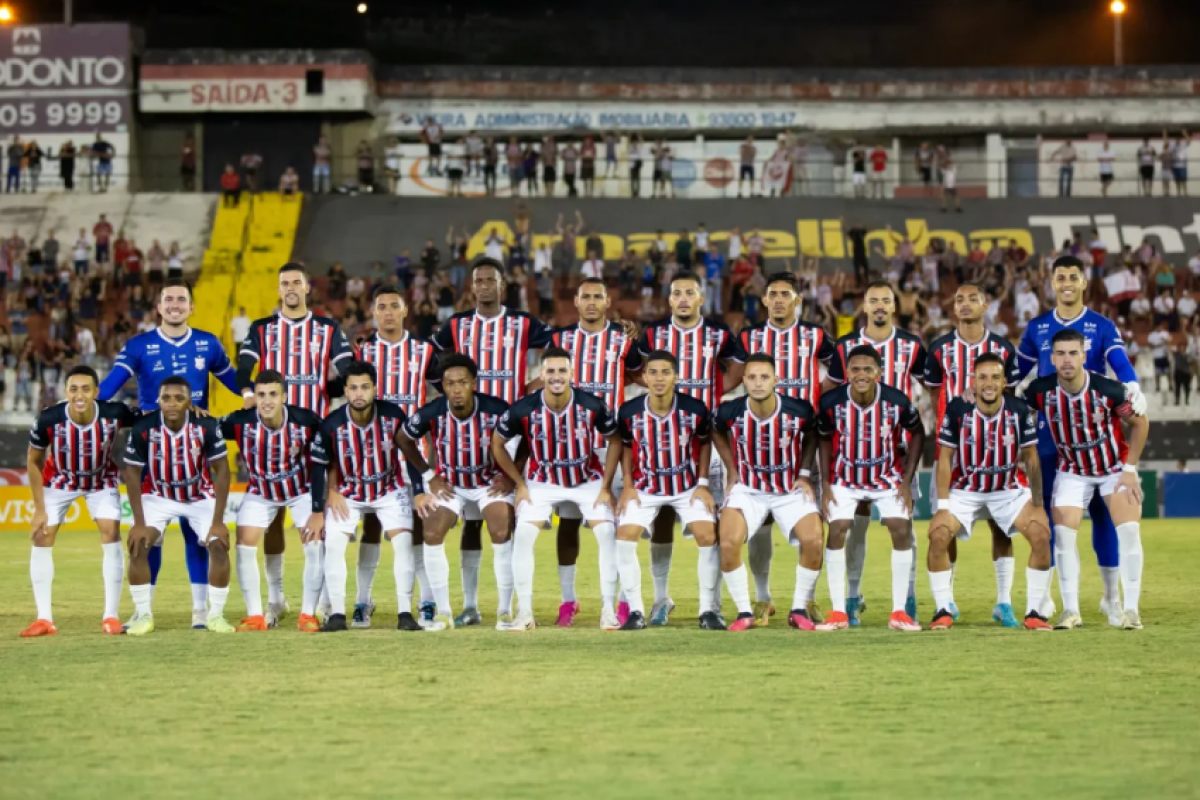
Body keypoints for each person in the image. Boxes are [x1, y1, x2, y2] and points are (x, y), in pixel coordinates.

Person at [97, 280, 240, 629]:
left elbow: (235, 382)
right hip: (152, 448)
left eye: (181, 299)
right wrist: (86, 403)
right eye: (168, 299)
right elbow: (111, 384)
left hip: (196, 446)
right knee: (146, 536)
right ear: (158, 307)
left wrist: (256, 395)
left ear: (191, 307)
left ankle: (201, 613)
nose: (175, 304)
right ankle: (144, 609)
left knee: (198, 536)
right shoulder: (139, 345)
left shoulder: (209, 343)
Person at [1016, 255, 1147, 626]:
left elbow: (1119, 361)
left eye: (1074, 276)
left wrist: (1132, 384)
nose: (1067, 282)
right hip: (1049, 434)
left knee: (1106, 517)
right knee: (1049, 515)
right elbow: (1015, 372)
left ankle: (1111, 599)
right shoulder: (1038, 326)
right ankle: (1045, 599)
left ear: (1084, 282)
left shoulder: (1101, 326)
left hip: (1093, 430)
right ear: (1052, 283)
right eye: (1061, 277)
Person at [433, 257, 555, 626]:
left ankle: (512, 604)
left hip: (510, 433)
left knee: (507, 520)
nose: (485, 286)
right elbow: (429, 360)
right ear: (471, 286)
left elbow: (560, 347)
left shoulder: (522, 323)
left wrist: (533, 388)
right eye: (479, 280)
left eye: (491, 280)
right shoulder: (455, 325)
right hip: (464, 435)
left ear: (502, 286)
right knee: (470, 522)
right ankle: (470, 605)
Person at [235, 263, 356, 625]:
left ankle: (317, 603)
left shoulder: (327, 328)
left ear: (306, 287)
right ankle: (276, 600)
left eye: (296, 282)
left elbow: (346, 368)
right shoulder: (262, 329)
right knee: (271, 523)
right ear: (279, 289)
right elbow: (244, 368)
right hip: (271, 441)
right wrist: (246, 393)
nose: (290, 288)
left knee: (320, 526)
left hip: (314, 440)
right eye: (284, 283)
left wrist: (348, 388)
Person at [636, 273, 746, 625]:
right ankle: (661, 599)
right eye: (677, 293)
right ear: (669, 300)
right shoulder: (653, 333)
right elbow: (634, 367)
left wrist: (717, 391)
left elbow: (739, 369)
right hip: (661, 439)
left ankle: (710, 604)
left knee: (709, 523)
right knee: (662, 520)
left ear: (701, 298)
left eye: (690, 293)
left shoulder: (718, 334)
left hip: (708, 439)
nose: (683, 299)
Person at [491, 346, 621, 632]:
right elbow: (497, 444)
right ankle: (524, 613)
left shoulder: (593, 405)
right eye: (550, 371)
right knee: (523, 535)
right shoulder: (523, 408)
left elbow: (615, 440)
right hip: (542, 480)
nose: (556, 376)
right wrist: (519, 483)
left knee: (607, 532)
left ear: (572, 374)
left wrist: (607, 486)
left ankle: (609, 610)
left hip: (587, 480)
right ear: (541, 374)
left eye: (562, 370)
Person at [735, 273, 836, 624]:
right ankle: (763, 598)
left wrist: (818, 396)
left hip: (805, 446)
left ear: (798, 300)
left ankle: (806, 599)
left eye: (785, 294)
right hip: (761, 447)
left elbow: (837, 371)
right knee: (758, 525)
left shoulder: (816, 335)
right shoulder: (749, 337)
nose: (779, 300)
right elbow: (732, 376)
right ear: (764, 300)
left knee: (815, 526)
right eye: (773, 294)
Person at [825, 281, 928, 625]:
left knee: (905, 527)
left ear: (894, 306)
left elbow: (930, 387)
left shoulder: (912, 345)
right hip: (854, 450)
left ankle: (907, 600)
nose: (880, 305)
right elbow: (830, 392)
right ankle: (851, 597)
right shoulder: (845, 347)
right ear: (864, 307)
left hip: (895, 454)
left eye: (886, 300)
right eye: (873, 300)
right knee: (854, 526)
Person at [926, 353, 1053, 631]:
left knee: (1042, 534)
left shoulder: (1019, 410)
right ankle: (943, 608)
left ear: (1005, 381)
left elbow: (1031, 457)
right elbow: (945, 457)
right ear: (973, 380)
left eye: (995, 377)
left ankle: (1033, 612)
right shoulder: (958, 409)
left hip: (1007, 490)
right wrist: (943, 505)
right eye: (982, 377)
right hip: (966, 489)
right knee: (937, 534)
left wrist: (1038, 503)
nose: (989, 383)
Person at [923, 282, 1025, 625]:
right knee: (945, 526)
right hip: (953, 448)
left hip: (997, 447)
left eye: (972, 299)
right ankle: (947, 601)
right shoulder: (938, 350)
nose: (964, 304)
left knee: (1001, 526)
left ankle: (1003, 601)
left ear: (986, 305)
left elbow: (1006, 392)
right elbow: (934, 390)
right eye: (958, 299)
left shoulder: (1002, 348)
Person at [548, 278, 644, 625]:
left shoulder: (622, 340)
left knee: (617, 525)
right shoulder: (559, 340)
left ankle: (619, 601)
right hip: (569, 445)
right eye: (585, 297)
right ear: (575, 302)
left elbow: (638, 375)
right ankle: (568, 601)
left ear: (607, 302)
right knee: (569, 523)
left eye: (597, 297)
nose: (590, 302)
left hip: (612, 446)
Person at [397, 354, 514, 631]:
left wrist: (511, 477)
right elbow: (403, 438)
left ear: (473, 382)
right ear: (443, 387)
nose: (457, 389)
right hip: (452, 485)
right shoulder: (432, 411)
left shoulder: (497, 409)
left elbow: (525, 437)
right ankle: (444, 613)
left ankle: (505, 611)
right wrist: (429, 476)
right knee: (431, 533)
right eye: (450, 384)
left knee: (500, 531)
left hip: (489, 483)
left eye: (462, 382)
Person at [20, 366, 139, 637]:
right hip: (59, 480)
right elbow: (33, 461)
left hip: (100, 480)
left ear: (97, 392)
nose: (79, 395)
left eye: (86, 389)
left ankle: (111, 616)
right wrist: (39, 509)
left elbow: (150, 418)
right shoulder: (48, 419)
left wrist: (193, 410)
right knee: (41, 536)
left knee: (110, 531)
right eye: (73, 389)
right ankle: (44, 620)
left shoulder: (114, 413)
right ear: (66, 392)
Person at [713, 353, 823, 632]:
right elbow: (715, 431)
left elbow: (812, 434)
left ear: (776, 380)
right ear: (743, 381)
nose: (758, 383)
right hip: (748, 489)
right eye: (751, 377)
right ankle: (744, 612)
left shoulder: (798, 410)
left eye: (764, 377)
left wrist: (805, 473)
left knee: (813, 541)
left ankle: (798, 608)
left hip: (789, 490)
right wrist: (731, 468)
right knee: (727, 544)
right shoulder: (729, 410)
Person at [612, 350, 717, 631]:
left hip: (687, 488)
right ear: (644, 377)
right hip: (644, 488)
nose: (659, 378)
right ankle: (635, 610)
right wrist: (627, 486)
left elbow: (705, 442)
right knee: (624, 536)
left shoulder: (695, 409)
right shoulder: (629, 411)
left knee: (707, 535)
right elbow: (625, 446)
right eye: (653, 372)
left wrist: (703, 484)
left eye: (666, 372)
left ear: (676, 377)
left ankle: (708, 609)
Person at [354, 286, 439, 627]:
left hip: (413, 454)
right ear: (373, 313)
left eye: (394, 306)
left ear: (406, 310)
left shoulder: (424, 351)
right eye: (381, 307)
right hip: (371, 453)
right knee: (372, 526)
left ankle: (427, 599)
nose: (388, 312)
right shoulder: (363, 352)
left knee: (419, 525)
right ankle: (363, 600)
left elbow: (444, 388)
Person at [310, 361, 417, 632]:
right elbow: (318, 466)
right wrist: (321, 503)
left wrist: (419, 492)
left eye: (365, 387)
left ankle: (405, 613)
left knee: (404, 543)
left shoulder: (394, 415)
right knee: (333, 545)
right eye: (353, 388)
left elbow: (411, 454)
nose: (359, 393)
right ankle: (337, 615)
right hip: (349, 493)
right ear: (345, 391)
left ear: (375, 389)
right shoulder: (331, 424)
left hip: (390, 489)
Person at [121, 377, 232, 635]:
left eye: (179, 398)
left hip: (198, 496)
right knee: (138, 543)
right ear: (158, 400)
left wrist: (218, 521)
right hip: (158, 495)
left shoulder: (205, 424)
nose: (172, 403)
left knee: (218, 544)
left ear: (188, 401)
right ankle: (143, 614)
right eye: (166, 398)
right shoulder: (144, 428)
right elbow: (132, 474)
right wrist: (138, 523)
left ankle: (215, 615)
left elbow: (223, 471)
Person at [219, 371, 325, 632]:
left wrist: (319, 508)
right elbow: (206, 429)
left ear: (284, 397)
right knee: (244, 544)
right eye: (261, 394)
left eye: (273, 394)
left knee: (314, 543)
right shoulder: (240, 422)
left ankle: (309, 613)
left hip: (301, 490)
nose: (266, 401)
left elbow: (326, 457)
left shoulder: (306, 420)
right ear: (254, 396)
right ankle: (256, 615)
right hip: (261, 492)